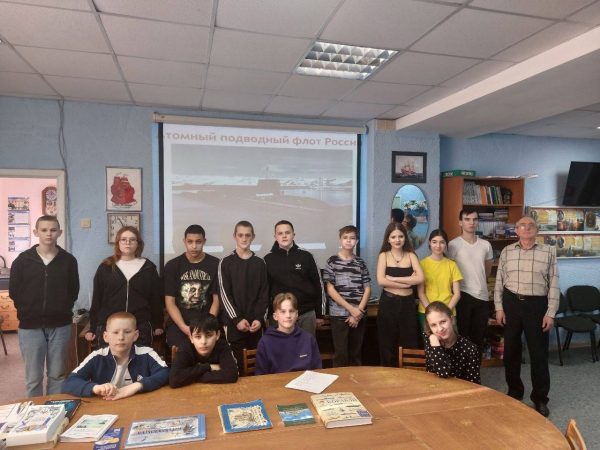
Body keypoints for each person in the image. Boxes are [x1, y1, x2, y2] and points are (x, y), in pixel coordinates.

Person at [494, 216, 559, 417]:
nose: (527, 228)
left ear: (537, 230)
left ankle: (540, 398)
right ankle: (515, 391)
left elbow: (554, 284)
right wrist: (499, 308)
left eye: (531, 225)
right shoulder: (507, 251)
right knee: (511, 351)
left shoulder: (548, 252)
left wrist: (550, 313)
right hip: (511, 303)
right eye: (522, 225)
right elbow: (499, 282)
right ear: (516, 230)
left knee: (538, 354)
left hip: (537, 306)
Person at [9, 215, 79, 397]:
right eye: (44, 230)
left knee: (57, 374)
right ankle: (35, 410)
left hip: (60, 325)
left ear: (59, 233)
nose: (49, 234)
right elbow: (14, 291)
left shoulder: (68, 261)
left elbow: (73, 290)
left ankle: (54, 408)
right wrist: (27, 311)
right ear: (36, 232)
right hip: (30, 326)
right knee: (33, 377)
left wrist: (63, 309)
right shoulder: (22, 260)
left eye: (53, 230)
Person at [86, 226, 163, 348]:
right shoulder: (106, 267)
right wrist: (92, 328)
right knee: (110, 360)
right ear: (118, 243)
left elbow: (155, 299)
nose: (128, 242)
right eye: (124, 239)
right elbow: (97, 299)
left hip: (140, 326)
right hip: (110, 326)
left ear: (138, 244)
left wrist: (158, 324)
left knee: (138, 360)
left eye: (132, 239)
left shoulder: (149, 268)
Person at [63, 312, 169, 399]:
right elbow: (70, 382)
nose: (121, 337)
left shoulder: (146, 353)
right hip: (106, 407)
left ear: (135, 335)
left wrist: (138, 385)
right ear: (105, 336)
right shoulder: (96, 357)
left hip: (139, 405)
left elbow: (166, 373)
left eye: (127, 332)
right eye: (115, 332)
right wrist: (95, 388)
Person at [218, 221, 269, 373]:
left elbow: (264, 295)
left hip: (255, 326)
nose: (244, 238)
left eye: (247, 235)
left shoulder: (260, 263)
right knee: (237, 369)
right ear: (235, 236)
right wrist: (237, 319)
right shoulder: (225, 263)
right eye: (240, 235)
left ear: (253, 237)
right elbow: (224, 296)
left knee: (257, 368)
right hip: (234, 326)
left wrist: (259, 319)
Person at [264, 220, 325, 336]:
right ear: (275, 236)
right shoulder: (267, 259)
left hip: (306, 314)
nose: (284, 236)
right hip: (279, 316)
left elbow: (319, 285)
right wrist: (266, 316)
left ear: (293, 235)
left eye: (287, 232)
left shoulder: (306, 256)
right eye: (280, 233)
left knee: (306, 347)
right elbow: (265, 291)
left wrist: (319, 314)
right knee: (281, 347)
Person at [163, 224, 220, 348]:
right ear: (184, 241)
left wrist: (206, 326)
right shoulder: (172, 266)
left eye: (198, 242)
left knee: (211, 348)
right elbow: (170, 302)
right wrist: (184, 327)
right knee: (181, 350)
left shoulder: (216, 264)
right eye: (190, 242)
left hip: (207, 322)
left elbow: (216, 300)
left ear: (204, 241)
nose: (194, 246)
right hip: (180, 323)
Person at [376, 222, 424, 367]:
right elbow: (381, 280)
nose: (397, 240)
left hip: (408, 304)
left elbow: (420, 278)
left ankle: (408, 375)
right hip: (388, 303)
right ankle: (387, 374)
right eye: (393, 237)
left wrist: (393, 279)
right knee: (387, 342)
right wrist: (407, 282)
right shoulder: (384, 255)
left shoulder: (411, 255)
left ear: (405, 238)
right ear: (388, 239)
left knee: (409, 341)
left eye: (401, 236)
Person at [323, 225, 371, 367]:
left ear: (357, 241)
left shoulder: (360, 263)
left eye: (352, 238)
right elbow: (330, 289)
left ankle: (356, 380)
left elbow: (367, 288)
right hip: (339, 315)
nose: (348, 240)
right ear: (340, 240)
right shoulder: (332, 261)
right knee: (341, 354)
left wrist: (358, 312)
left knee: (355, 354)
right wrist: (352, 310)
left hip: (359, 315)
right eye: (345, 237)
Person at [448, 209, 494, 353]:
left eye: (474, 219)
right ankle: (462, 368)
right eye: (467, 219)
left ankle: (475, 367)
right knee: (462, 337)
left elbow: (487, 272)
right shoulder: (453, 245)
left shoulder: (486, 245)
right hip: (463, 295)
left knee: (478, 338)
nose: (471, 222)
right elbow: (450, 272)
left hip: (482, 297)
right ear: (460, 222)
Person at [255, 293, 322, 375]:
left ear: (297, 314)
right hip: (277, 382)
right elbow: (260, 376)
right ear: (275, 316)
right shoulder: (265, 342)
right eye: (283, 312)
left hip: (304, 382)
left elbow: (317, 370)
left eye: (291, 311)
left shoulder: (308, 339)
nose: (288, 315)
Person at [169, 314, 238, 387]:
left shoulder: (222, 346)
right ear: (191, 338)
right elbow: (174, 379)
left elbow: (231, 375)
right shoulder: (186, 348)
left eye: (209, 335)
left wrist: (191, 377)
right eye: (198, 336)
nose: (203, 342)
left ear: (217, 335)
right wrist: (208, 367)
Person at [423, 302, 481, 384]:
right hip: (434, 388)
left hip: (460, 390)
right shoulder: (431, 340)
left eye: (443, 322)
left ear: (452, 319)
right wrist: (435, 344)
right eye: (433, 325)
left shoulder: (470, 348)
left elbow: (474, 383)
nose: (440, 329)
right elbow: (440, 371)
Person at [417, 229, 463, 330]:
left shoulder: (452, 265)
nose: (438, 246)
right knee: (431, 340)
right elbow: (421, 293)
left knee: (450, 340)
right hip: (426, 311)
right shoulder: (421, 264)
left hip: (448, 311)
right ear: (429, 243)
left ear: (446, 244)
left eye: (442, 242)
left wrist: (446, 312)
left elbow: (457, 294)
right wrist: (431, 312)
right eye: (434, 242)